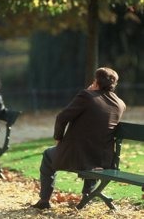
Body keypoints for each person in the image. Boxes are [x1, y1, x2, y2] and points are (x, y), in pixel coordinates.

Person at [31, 67, 126, 209]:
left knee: (47, 155)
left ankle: (44, 200)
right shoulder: (120, 104)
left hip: (77, 156)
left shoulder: (87, 96)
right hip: (102, 159)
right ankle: (87, 195)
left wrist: (58, 138)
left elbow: (62, 117)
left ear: (96, 82)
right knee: (94, 151)